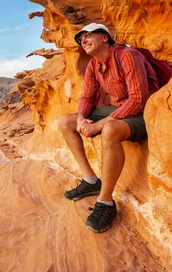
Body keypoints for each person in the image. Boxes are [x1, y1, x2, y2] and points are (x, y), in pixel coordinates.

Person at [59, 23, 159, 233]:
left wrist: (99, 124)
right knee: (66, 122)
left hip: (145, 114)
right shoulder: (93, 66)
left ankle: (105, 202)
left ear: (104, 37)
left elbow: (138, 99)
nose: (83, 41)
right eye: (80, 40)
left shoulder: (127, 55)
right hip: (120, 111)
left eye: (87, 36)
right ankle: (91, 180)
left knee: (110, 130)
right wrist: (82, 119)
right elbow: (88, 96)